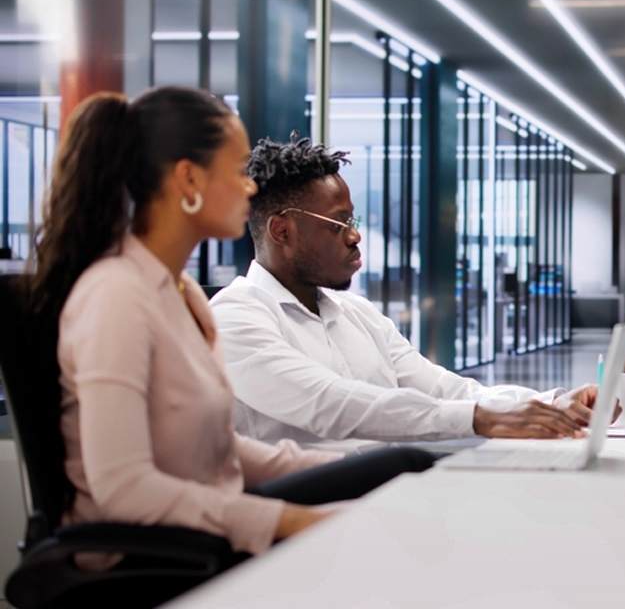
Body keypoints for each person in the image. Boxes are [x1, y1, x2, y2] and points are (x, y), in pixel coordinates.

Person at [31, 87, 435, 564]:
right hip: (153, 554)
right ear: (188, 179)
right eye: (236, 169)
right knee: (394, 496)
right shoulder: (116, 294)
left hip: (209, 520)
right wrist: (290, 520)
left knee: (399, 469)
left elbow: (219, 453)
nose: (249, 187)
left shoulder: (180, 293)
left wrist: (345, 469)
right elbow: (125, 491)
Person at [210, 136, 599, 452]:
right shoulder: (234, 315)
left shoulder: (356, 313)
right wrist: (481, 418)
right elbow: (332, 403)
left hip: (389, 489)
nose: (355, 235)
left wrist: (550, 405)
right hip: (310, 508)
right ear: (282, 232)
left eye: (353, 220)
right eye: (338, 223)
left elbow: (447, 388)